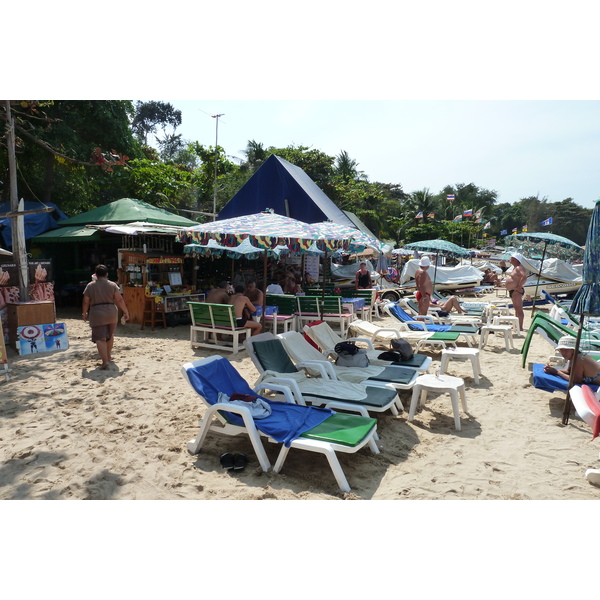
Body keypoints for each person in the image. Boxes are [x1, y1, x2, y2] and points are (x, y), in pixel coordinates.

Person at [82, 264, 130, 369]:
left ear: (96, 275)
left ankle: (104, 361)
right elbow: (119, 300)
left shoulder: (90, 286)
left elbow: (86, 302)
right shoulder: (112, 285)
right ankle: (108, 356)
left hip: (97, 312)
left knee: (100, 337)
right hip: (111, 312)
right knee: (110, 335)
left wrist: (85, 313)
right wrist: (125, 311)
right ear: (107, 274)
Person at [505, 253, 528, 332]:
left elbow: (524, 277)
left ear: (516, 259)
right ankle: (516, 325)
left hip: (516, 291)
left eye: (512, 258)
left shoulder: (519, 268)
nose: (510, 259)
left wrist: (519, 287)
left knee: (519, 309)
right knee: (516, 309)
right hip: (513, 290)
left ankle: (520, 327)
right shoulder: (515, 268)